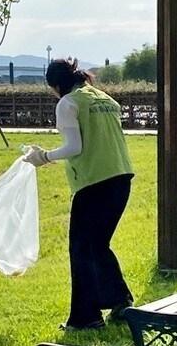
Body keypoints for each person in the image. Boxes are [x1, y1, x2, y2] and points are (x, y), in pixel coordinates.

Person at [23, 58, 136, 330]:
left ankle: (87, 317)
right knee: (97, 245)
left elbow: (74, 147)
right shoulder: (105, 99)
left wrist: (44, 157)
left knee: (82, 249)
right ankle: (120, 300)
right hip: (121, 177)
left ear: (57, 84)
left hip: (94, 182)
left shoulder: (68, 103)